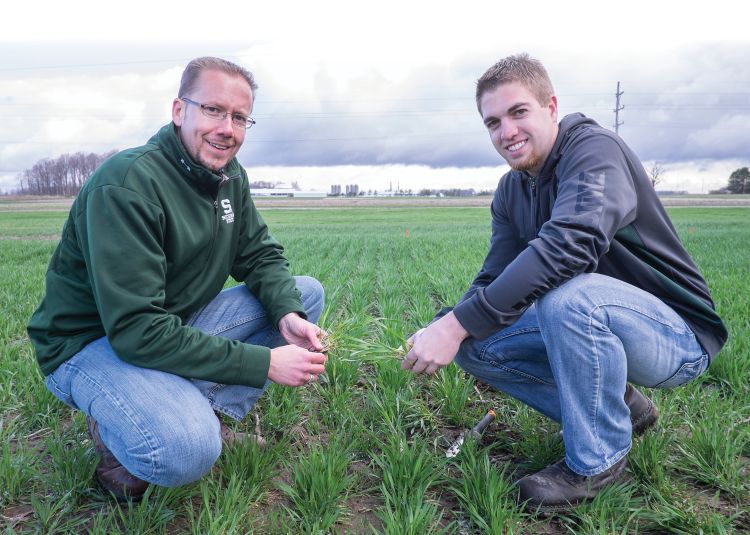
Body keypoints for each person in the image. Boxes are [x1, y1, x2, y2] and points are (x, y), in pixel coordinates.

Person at [401, 53, 727, 511]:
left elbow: (570, 244)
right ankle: (624, 411)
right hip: (598, 321)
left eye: (518, 112)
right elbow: (494, 275)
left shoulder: (594, 151)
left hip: (675, 335)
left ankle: (598, 464)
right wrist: (449, 327)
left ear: (551, 107)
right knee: (473, 339)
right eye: (492, 122)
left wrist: (456, 325)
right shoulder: (512, 190)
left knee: (568, 299)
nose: (506, 132)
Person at [27, 57, 328, 501]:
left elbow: (259, 253)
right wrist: (263, 363)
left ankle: (183, 406)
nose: (227, 127)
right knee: (187, 450)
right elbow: (137, 332)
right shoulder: (128, 184)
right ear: (178, 111)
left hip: (165, 325)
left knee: (303, 294)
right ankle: (121, 436)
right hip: (91, 344)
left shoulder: (227, 177)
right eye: (213, 110)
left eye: (240, 117)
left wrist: (287, 314)